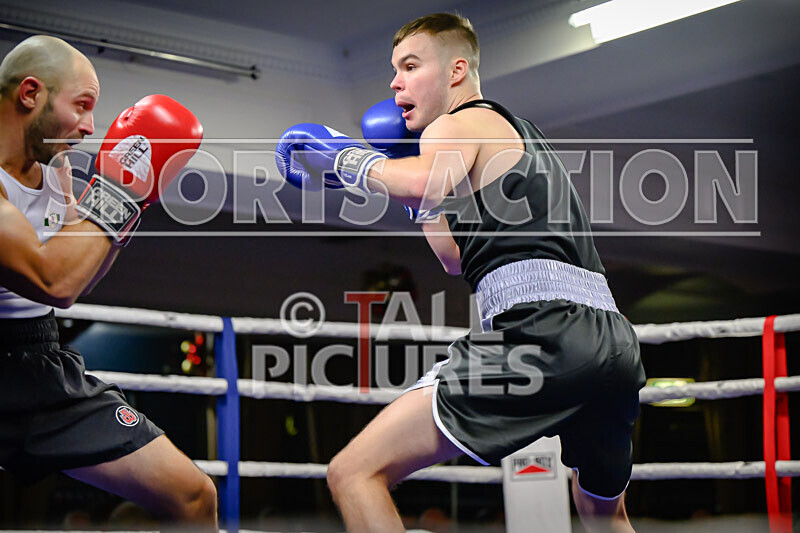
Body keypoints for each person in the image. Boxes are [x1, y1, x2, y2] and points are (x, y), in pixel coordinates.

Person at [276, 12, 646, 533]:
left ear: (456, 71)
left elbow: (422, 181)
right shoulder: (515, 136)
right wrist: (408, 175)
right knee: (603, 514)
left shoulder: (459, 122)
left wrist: (347, 160)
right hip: (611, 342)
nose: (395, 83)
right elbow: (454, 256)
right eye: (394, 70)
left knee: (353, 473)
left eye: (410, 66)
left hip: (542, 332)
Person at [0, 35, 217, 528]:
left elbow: (78, 281)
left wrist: (132, 204)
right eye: (81, 105)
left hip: (40, 361)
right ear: (30, 93)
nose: (90, 126)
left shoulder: (56, 168)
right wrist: (116, 193)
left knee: (193, 496)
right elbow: (51, 279)